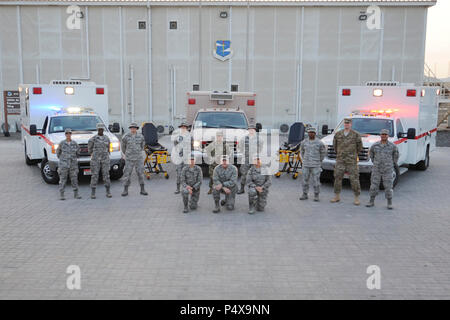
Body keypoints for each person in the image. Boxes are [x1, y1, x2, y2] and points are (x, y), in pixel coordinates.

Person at [331, 118, 363, 205]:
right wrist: (340, 153)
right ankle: (337, 196)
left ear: (351, 124)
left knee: (354, 179)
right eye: (345, 123)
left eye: (348, 123)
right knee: (337, 178)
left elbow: (359, 147)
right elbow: (335, 146)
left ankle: (356, 198)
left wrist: (352, 154)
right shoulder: (338, 134)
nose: (346, 125)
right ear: (343, 124)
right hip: (340, 160)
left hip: (351, 161)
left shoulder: (356, 135)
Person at [366, 129, 399, 210]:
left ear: (387, 136)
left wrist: (391, 163)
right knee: (374, 185)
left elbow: (396, 155)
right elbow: (371, 154)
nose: (384, 136)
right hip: (376, 169)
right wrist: (375, 162)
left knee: (388, 186)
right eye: (382, 134)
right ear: (380, 135)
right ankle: (371, 201)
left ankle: (389, 202)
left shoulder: (392, 146)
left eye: (385, 134)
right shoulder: (375, 145)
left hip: (388, 169)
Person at [299, 127, 326, 201]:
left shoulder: (319, 143)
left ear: (315, 133)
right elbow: (301, 151)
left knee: (316, 181)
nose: (311, 134)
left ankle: (316, 195)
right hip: (306, 164)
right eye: (310, 132)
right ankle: (304, 194)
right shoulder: (304, 142)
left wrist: (319, 161)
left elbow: (323, 153)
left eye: (312, 132)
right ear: (308, 133)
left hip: (315, 165)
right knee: (304, 180)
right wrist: (303, 160)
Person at [121, 122, 148, 196]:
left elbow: (142, 146)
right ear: (130, 128)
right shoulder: (125, 136)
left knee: (141, 174)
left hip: (138, 158)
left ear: (136, 129)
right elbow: (123, 147)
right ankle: (125, 190)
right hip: (129, 158)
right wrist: (126, 153)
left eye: (134, 128)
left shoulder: (141, 136)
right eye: (132, 128)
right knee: (127, 174)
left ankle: (142, 189)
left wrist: (138, 152)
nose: (133, 129)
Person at [56, 128, 81, 200]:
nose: (68, 135)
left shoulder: (75, 143)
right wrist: (63, 160)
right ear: (65, 134)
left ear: (71, 134)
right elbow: (58, 153)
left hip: (73, 165)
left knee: (74, 180)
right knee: (63, 180)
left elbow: (78, 152)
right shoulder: (62, 143)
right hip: (64, 165)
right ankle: (62, 195)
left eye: (69, 133)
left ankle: (76, 194)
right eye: (67, 133)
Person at [88, 123, 112, 199]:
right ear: (97, 129)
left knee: (106, 175)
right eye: (99, 129)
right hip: (95, 160)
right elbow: (90, 150)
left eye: (102, 129)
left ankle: (108, 192)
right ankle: (93, 192)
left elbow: (108, 149)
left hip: (105, 159)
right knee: (95, 175)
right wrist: (95, 155)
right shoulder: (93, 139)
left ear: (103, 130)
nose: (101, 130)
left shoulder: (107, 138)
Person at [238, 125, 262, 194]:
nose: (251, 131)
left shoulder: (259, 139)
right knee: (244, 174)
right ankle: (242, 189)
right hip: (246, 159)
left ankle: (255, 189)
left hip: (255, 159)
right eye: (250, 129)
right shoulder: (244, 138)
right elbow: (240, 147)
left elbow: (261, 148)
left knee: (256, 175)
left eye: (253, 129)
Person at [174, 122, 191, 194]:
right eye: (182, 127)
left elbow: (192, 147)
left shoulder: (190, 136)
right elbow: (175, 146)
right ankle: (178, 188)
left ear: (187, 128)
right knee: (179, 173)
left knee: (187, 173)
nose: (183, 128)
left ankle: (186, 187)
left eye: (185, 127)